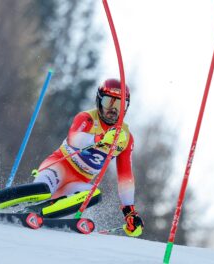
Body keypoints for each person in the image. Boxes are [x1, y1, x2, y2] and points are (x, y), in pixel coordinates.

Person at [30, 78, 144, 237]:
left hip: (78, 182)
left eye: (120, 105)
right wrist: (100, 140)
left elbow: (125, 176)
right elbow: (74, 139)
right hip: (58, 168)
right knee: (42, 190)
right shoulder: (87, 118)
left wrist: (129, 211)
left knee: (94, 194)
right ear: (99, 100)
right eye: (108, 102)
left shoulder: (125, 138)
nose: (113, 110)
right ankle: (5, 199)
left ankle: (42, 216)